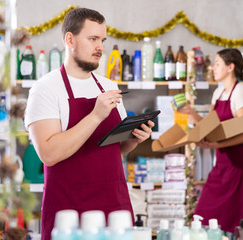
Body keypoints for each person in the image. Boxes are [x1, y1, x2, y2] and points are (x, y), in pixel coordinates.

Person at [24, 8, 154, 240]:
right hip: (69, 214)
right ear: (70, 39)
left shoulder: (108, 86)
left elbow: (116, 148)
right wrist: (96, 116)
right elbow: (49, 154)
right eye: (93, 39)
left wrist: (133, 139)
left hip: (114, 208)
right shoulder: (45, 89)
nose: (100, 48)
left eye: (102, 40)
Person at [178, 48, 243, 233]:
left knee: (240, 225)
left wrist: (216, 144)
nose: (213, 68)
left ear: (230, 67)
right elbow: (209, 128)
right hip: (223, 166)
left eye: (217, 63)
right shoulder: (218, 94)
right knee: (204, 215)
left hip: (242, 167)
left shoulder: (240, 93)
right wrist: (191, 114)